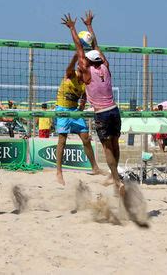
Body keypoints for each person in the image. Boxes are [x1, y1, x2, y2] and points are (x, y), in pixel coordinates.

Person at [62, 11, 124, 196]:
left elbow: (79, 49)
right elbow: (95, 46)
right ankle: (115, 177)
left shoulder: (86, 71)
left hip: (103, 113)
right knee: (115, 144)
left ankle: (116, 179)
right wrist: (89, 26)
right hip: (114, 110)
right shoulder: (105, 65)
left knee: (107, 148)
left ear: (88, 60)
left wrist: (72, 28)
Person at [55, 53, 104, 185]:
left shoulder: (85, 82)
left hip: (74, 111)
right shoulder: (71, 74)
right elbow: (69, 67)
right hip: (62, 109)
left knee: (86, 138)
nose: (84, 68)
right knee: (62, 140)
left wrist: (82, 105)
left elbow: (84, 99)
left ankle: (95, 167)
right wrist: (76, 56)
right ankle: (59, 171)